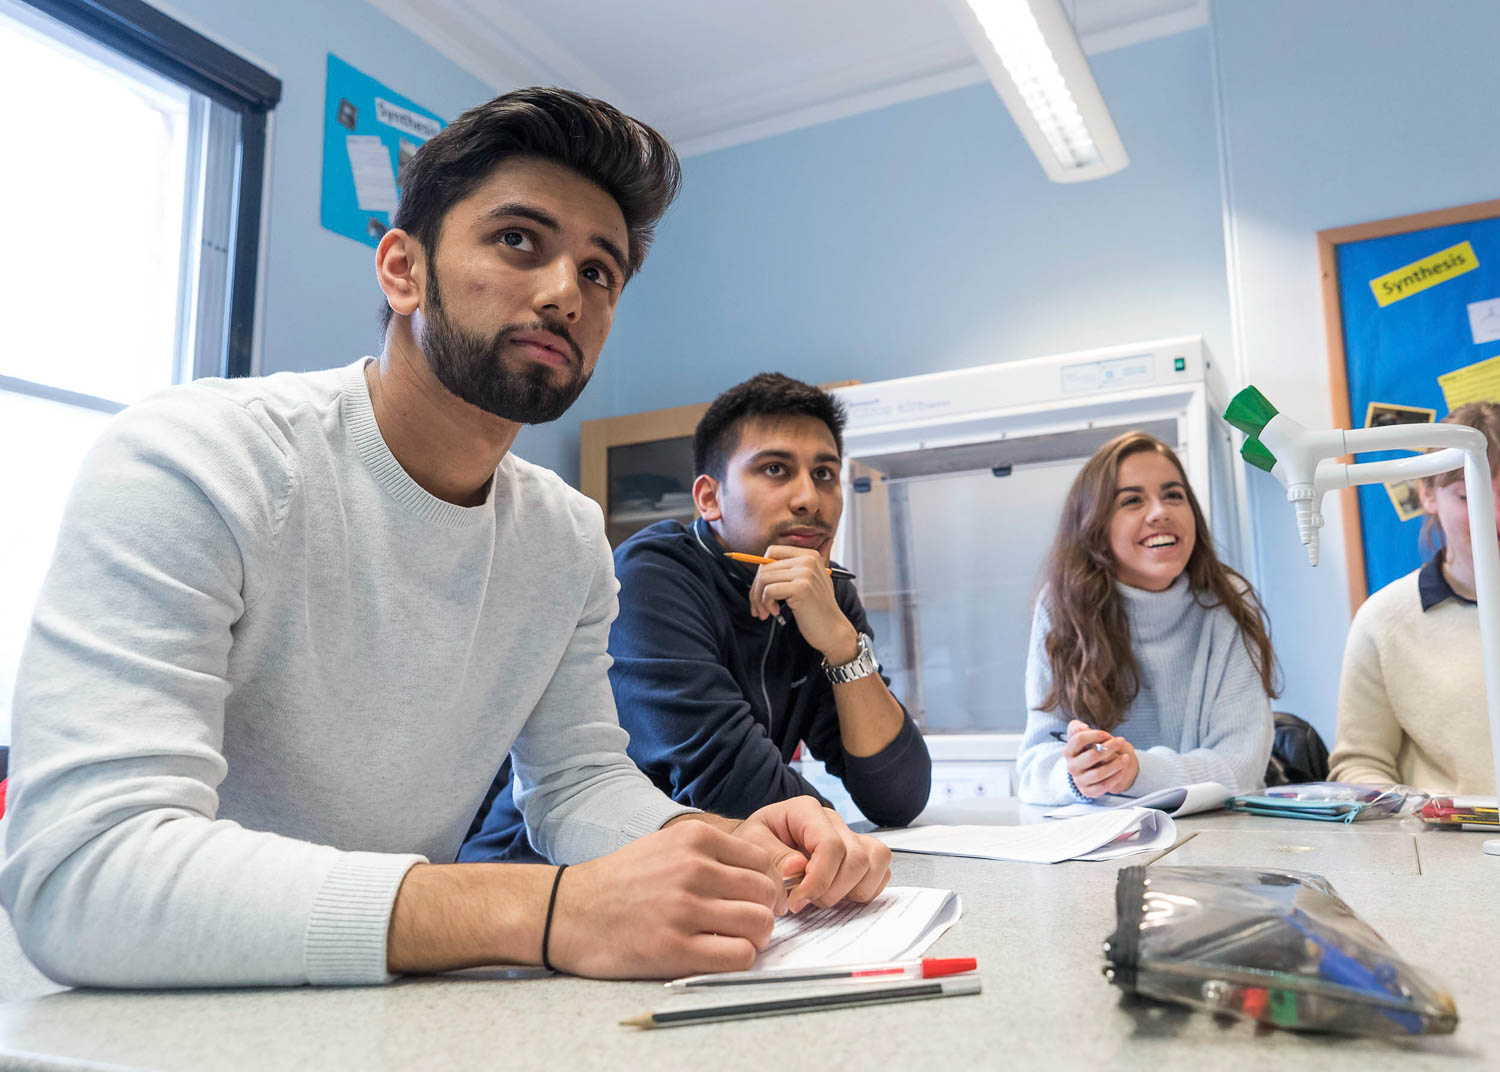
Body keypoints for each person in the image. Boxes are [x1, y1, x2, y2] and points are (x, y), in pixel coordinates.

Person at [0, 88, 890, 990]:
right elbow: (81, 869)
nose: (563, 295)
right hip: (148, 1014)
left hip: (387, 1009)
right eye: (518, 242)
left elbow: (576, 783)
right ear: (402, 270)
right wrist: (542, 912)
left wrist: (716, 841)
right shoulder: (200, 458)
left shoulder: (567, 536)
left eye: (598, 273)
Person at [463, 375, 930, 861]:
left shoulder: (825, 596)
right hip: (537, 878)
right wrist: (843, 845)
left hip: (688, 881)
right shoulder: (651, 576)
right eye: (775, 469)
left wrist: (842, 645)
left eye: (825, 474)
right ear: (708, 498)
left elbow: (898, 797)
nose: (809, 499)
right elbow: (732, 788)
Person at [1015, 431, 1276, 804]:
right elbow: (1034, 769)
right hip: (1098, 845)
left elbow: (1241, 768)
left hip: (1221, 839)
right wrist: (1077, 775)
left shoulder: (1230, 603)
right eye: (1132, 501)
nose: (1160, 512)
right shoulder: (1060, 608)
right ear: (1095, 527)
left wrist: (1137, 771)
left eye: (1173, 495)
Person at [1329, 401, 1500, 794]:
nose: (1494, 515)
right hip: (1441, 849)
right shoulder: (1384, 620)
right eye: (1467, 496)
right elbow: (1360, 764)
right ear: (1427, 495)